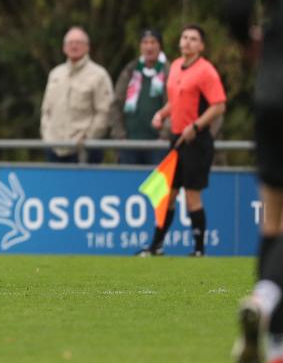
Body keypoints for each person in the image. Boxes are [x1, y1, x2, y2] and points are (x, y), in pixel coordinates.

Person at [225, 0, 283, 363]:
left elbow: (236, 4)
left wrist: (251, 44)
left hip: (273, 91)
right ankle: (264, 301)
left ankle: (277, 342)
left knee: (274, 217)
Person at [138, 24, 226, 258]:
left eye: (193, 39)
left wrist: (196, 126)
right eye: (185, 37)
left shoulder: (206, 71)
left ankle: (198, 249)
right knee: (168, 192)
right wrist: (162, 114)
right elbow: (176, 100)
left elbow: (219, 105)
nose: (187, 42)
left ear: (201, 46)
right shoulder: (176, 66)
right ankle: (155, 246)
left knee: (192, 195)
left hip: (196, 140)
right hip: (177, 138)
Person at [40, 27, 113, 163]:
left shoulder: (99, 75)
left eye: (78, 42)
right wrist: (47, 137)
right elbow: (46, 110)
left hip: (84, 151)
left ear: (87, 47)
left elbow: (104, 112)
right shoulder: (55, 74)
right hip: (54, 149)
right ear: (64, 48)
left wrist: (88, 138)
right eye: (70, 42)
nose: (74, 46)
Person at [108, 29, 168, 165]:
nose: (149, 47)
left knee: (154, 186)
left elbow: (173, 105)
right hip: (129, 143)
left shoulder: (169, 71)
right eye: (145, 42)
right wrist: (119, 135)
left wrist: (165, 136)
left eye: (153, 42)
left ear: (160, 46)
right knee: (127, 183)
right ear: (140, 46)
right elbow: (116, 104)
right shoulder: (130, 70)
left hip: (158, 145)